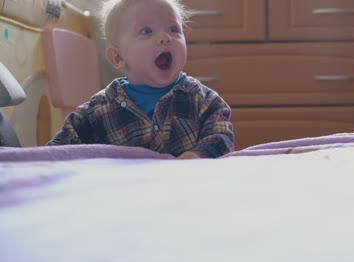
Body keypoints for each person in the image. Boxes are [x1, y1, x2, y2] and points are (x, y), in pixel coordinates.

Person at [47, 0, 234, 159]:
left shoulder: (201, 100)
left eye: (173, 29)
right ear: (118, 58)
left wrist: (197, 155)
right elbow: (59, 151)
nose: (165, 37)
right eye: (146, 31)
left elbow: (221, 133)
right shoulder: (99, 110)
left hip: (184, 190)